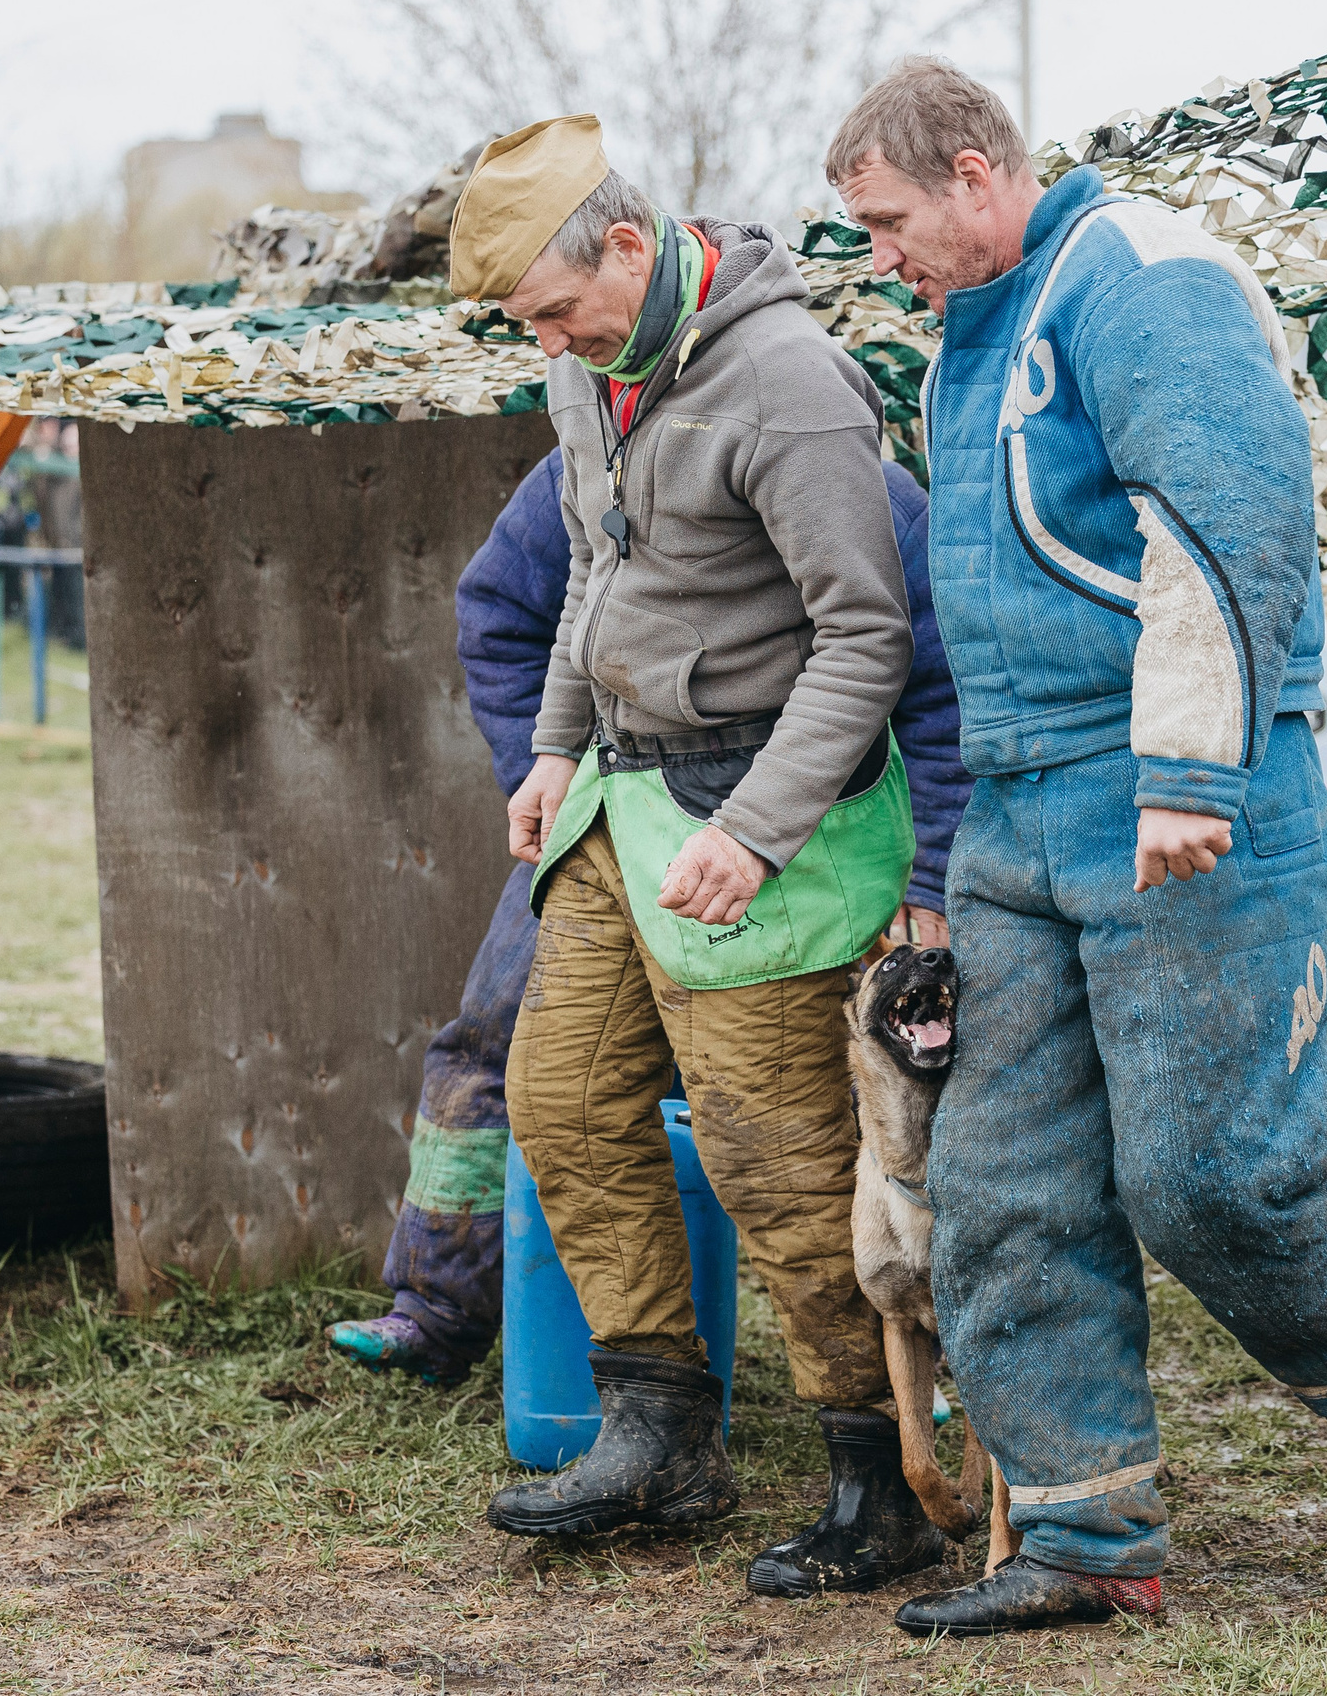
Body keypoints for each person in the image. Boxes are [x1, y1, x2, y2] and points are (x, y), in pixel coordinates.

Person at [825, 59, 1327, 1636]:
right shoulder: (972, 330)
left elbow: (1225, 518)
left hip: (1181, 795)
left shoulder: (1143, 277)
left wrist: (1188, 768)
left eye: (892, 221)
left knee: (1207, 1172)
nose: (881, 256)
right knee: (1001, 1176)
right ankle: (1087, 1533)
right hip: (1023, 808)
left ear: (975, 175)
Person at [441, 113, 947, 1599]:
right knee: (561, 1094)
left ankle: (880, 1480)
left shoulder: (788, 385)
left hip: (770, 821)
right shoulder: (587, 368)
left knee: (779, 1161)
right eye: (528, 324)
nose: (546, 341)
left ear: (630, 243)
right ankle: (659, 1428)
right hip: (622, 797)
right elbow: (598, 572)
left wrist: (755, 828)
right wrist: (548, 744)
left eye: (553, 306)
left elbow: (871, 638)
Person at [325, 450, 968, 1386]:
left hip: (811, 849)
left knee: (824, 1111)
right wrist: (551, 778)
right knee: (499, 1052)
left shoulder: (849, 482)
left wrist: (931, 874)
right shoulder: (589, 457)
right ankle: (437, 1307)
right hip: (611, 820)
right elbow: (501, 613)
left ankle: (902, 1375)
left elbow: (936, 680)